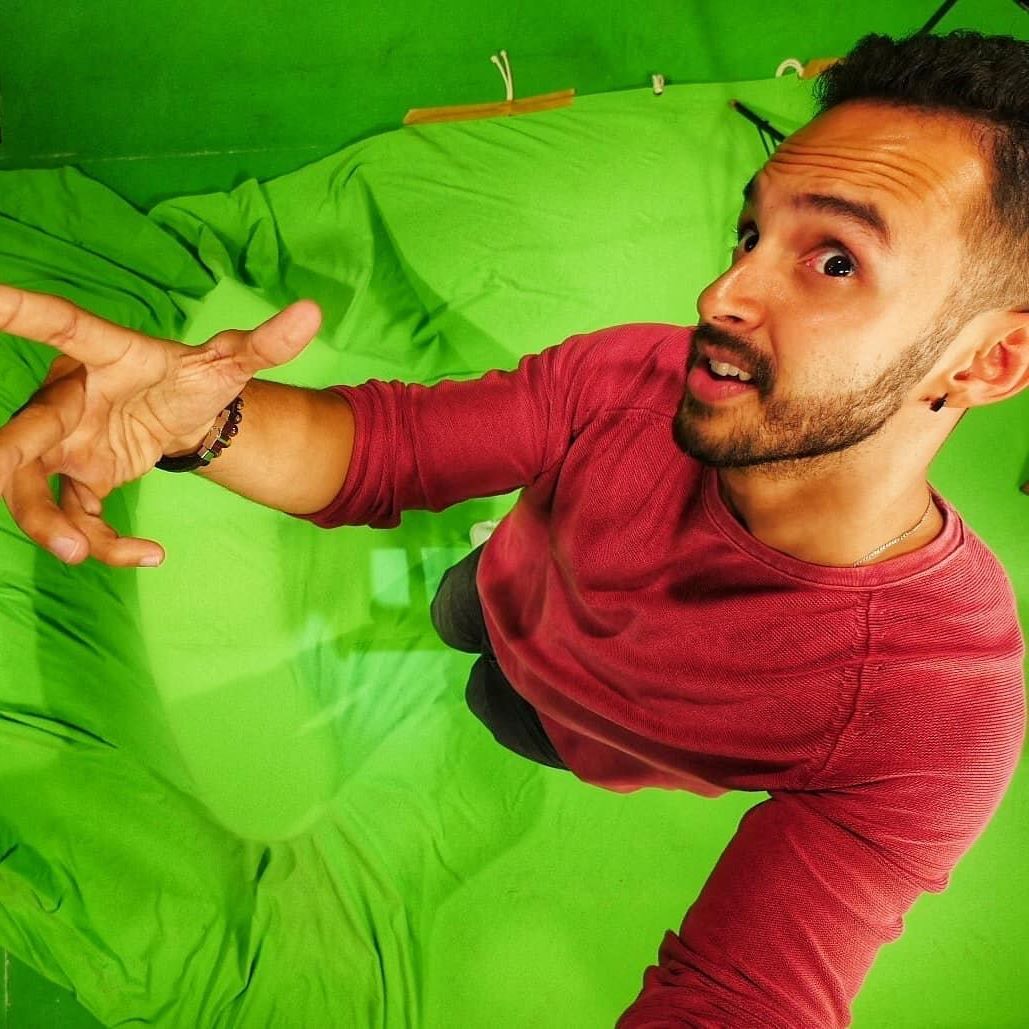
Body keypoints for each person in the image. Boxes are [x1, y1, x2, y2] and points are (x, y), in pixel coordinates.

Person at [0, 27, 1026, 1027]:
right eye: (751, 233)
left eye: (836, 261)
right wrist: (193, 421)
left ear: (988, 363)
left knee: (502, 718)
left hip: (584, 737)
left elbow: (742, 996)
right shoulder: (632, 376)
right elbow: (386, 447)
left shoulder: (937, 707)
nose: (722, 294)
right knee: (461, 613)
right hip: (507, 590)